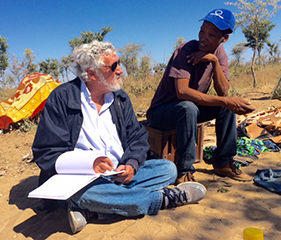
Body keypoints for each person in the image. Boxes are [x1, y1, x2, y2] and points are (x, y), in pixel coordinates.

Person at [32, 40, 206, 234]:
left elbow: (137, 137)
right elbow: (46, 152)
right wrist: (89, 164)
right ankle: (161, 200)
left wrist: (131, 163)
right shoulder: (62, 98)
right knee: (81, 194)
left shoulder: (119, 98)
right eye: (113, 66)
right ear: (91, 73)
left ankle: (96, 212)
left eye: (119, 63)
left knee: (167, 169)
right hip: (84, 181)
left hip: (120, 174)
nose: (120, 70)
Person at [147, 9, 255, 184]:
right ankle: (185, 170)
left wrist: (214, 61)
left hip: (188, 110)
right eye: (202, 31)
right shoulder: (186, 50)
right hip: (161, 112)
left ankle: (223, 162)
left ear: (224, 38)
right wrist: (225, 100)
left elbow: (223, 92)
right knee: (188, 107)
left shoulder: (219, 54)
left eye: (211, 34)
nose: (203, 37)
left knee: (225, 107)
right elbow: (182, 92)